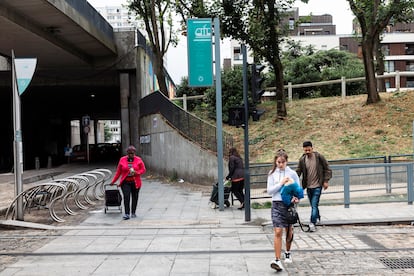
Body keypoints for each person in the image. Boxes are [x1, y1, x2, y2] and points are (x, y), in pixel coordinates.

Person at [267, 149, 301, 272]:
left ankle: (287, 252)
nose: (280, 164)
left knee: (289, 230)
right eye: (278, 162)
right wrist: (281, 183)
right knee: (277, 231)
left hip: (288, 205)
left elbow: (299, 189)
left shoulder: (292, 174)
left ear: (286, 162)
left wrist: (296, 197)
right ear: (275, 162)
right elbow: (270, 190)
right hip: (276, 204)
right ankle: (277, 259)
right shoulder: (272, 174)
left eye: (283, 162)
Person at [296, 141, 332, 232]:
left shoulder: (319, 157)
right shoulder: (302, 160)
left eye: (309, 150)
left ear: (312, 148)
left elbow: (327, 168)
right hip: (308, 186)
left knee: (314, 204)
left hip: (317, 186)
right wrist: (293, 181)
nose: (307, 152)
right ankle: (317, 217)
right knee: (313, 205)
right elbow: (298, 171)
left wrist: (325, 181)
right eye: (305, 150)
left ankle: (312, 223)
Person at [111, 145, 146, 220]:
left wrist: (136, 172)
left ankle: (133, 212)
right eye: (129, 153)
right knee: (126, 197)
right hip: (125, 182)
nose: (131, 155)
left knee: (135, 197)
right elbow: (118, 172)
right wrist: (113, 181)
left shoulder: (138, 160)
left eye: (132, 153)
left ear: (135, 153)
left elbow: (143, 170)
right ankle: (127, 213)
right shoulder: (122, 160)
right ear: (127, 153)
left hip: (135, 182)